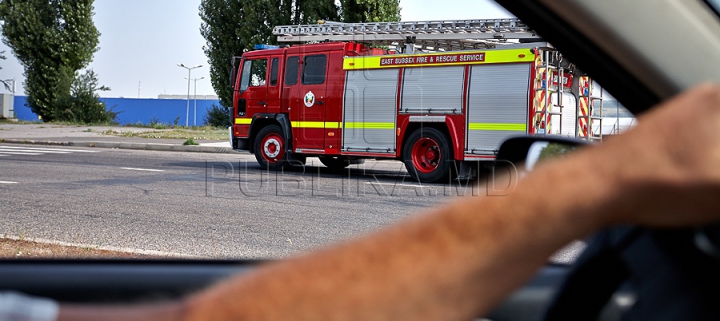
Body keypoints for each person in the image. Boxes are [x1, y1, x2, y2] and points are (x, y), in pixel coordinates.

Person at [6, 83, 720, 321]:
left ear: (262, 80)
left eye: (254, 80)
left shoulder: (274, 107)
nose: (255, 91)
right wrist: (596, 181)